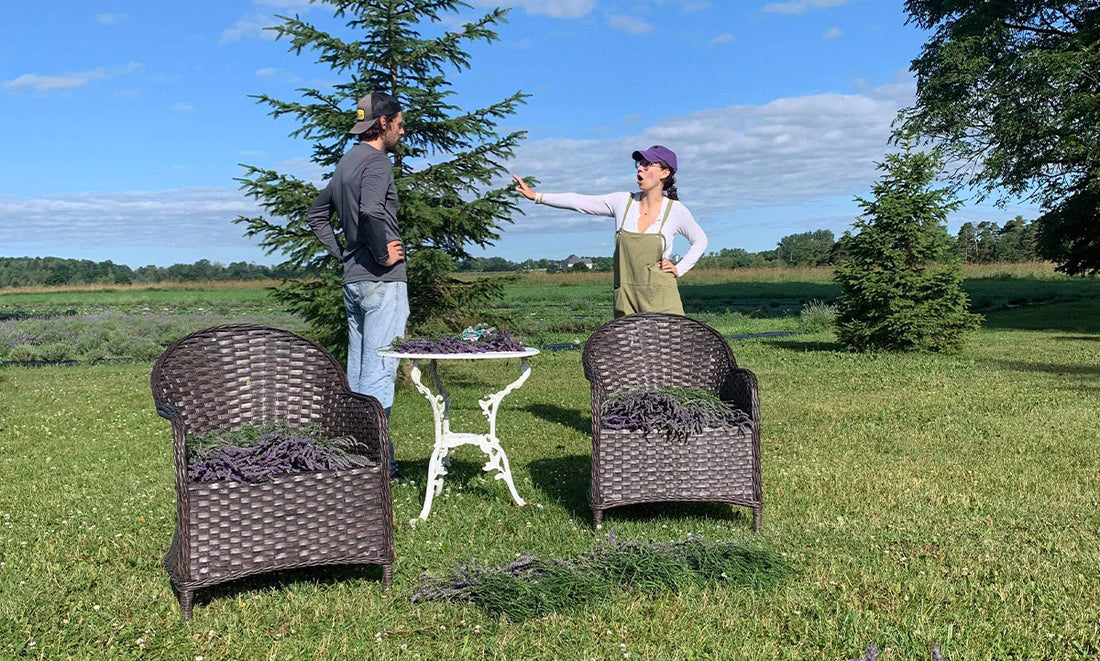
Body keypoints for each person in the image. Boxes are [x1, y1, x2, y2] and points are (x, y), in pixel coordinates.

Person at [307, 91, 408, 479]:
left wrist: (344, 255)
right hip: (382, 282)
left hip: (353, 283)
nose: (402, 130)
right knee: (380, 372)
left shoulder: (346, 163)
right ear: (382, 123)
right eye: (399, 123)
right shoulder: (378, 161)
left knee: (359, 371)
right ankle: (381, 466)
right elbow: (369, 211)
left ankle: (353, 459)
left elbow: (317, 215)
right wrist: (382, 254)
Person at [512, 145, 707, 317]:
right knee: (629, 355)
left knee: (668, 354)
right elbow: (579, 201)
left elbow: (700, 241)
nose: (640, 167)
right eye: (639, 163)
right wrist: (536, 196)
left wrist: (679, 269)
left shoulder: (675, 210)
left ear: (665, 173)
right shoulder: (622, 202)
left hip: (662, 298)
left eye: (648, 164)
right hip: (626, 297)